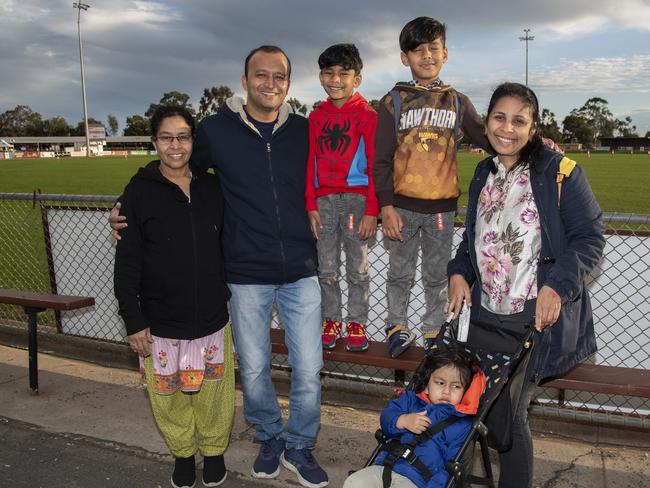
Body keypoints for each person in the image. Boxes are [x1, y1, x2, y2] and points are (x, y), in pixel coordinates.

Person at [110, 46, 328, 488]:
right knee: (252, 368)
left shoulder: (304, 130)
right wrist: (126, 205)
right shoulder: (213, 130)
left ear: (288, 83)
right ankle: (269, 437)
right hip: (245, 272)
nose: (271, 83)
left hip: (300, 268)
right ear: (244, 80)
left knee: (308, 368)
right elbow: (172, 162)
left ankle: (300, 445)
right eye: (261, 75)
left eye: (280, 76)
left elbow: (349, 170)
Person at [447, 82, 605, 488]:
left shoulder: (560, 172)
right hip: (483, 314)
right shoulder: (484, 171)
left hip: (532, 319)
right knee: (469, 403)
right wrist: (457, 271)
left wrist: (555, 287)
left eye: (520, 120)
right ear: (487, 121)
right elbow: (473, 239)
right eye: (499, 117)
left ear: (533, 128)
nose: (507, 128)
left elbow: (589, 239)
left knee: (509, 413)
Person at [113, 105, 234, 488]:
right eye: (166, 137)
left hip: (212, 317)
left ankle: (214, 452)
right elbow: (127, 263)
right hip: (162, 322)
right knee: (169, 396)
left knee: (214, 393)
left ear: (192, 141)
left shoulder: (213, 186)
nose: (175, 145)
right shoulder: (138, 192)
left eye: (183, 136)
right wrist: (134, 320)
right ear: (155, 142)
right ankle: (183, 454)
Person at [373, 16, 491, 358]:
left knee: (437, 275)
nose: (426, 55)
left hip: (441, 207)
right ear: (404, 57)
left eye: (433, 48)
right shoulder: (392, 101)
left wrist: (533, 143)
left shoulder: (456, 101)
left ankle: (433, 327)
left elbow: (489, 137)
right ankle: (396, 324)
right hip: (402, 207)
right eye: (417, 50)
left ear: (445, 53)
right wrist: (386, 206)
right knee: (400, 272)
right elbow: (381, 160)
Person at [305, 43, 378, 352]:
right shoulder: (316, 117)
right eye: (328, 72)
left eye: (343, 73)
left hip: (356, 201)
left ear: (356, 79)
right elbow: (309, 162)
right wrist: (310, 204)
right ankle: (331, 319)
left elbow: (375, 165)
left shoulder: (367, 115)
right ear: (321, 76)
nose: (335, 79)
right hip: (323, 203)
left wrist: (372, 209)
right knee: (327, 268)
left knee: (357, 269)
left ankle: (357, 322)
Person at [343, 350, 486, 488]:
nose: (446, 391)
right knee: (354, 482)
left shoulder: (461, 424)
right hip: (383, 467)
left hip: (417, 480)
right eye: (440, 383)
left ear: (464, 392)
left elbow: (451, 467)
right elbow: (387, 416)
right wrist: (402, 420)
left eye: (456, 386)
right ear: (427, 386)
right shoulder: (411, 400)